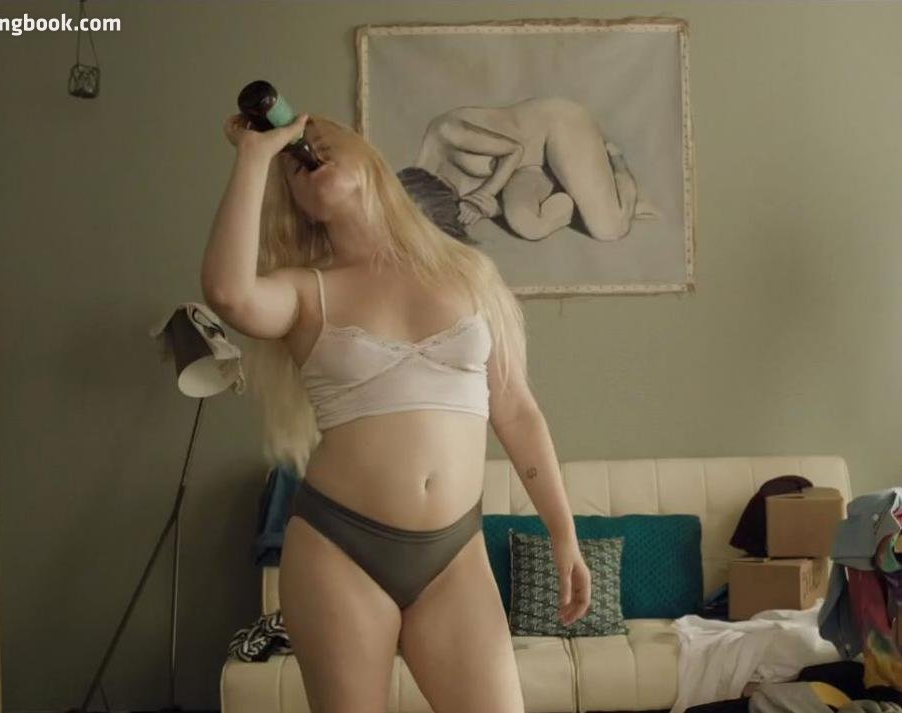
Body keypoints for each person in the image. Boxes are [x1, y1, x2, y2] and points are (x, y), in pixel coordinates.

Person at [202, 110, 591, 713]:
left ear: (370, 159)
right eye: (294, 164)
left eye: (319, 144)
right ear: (298, 205)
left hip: (455, 556)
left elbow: (516, 411)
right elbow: (229, 294)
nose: (307, 158)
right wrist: (254, 156)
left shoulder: (468, 273)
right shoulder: (305, 290)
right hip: (339, 549)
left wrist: (564, 535)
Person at [412, 97, 657, 241]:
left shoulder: (446, 132)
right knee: (527, 225)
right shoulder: (427, 205)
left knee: (609, 230)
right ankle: (572, 197)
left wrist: (484, 194)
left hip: (555, 129)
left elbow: (514, 150)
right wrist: (493, 209)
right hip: (527, 170)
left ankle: (615, 163)